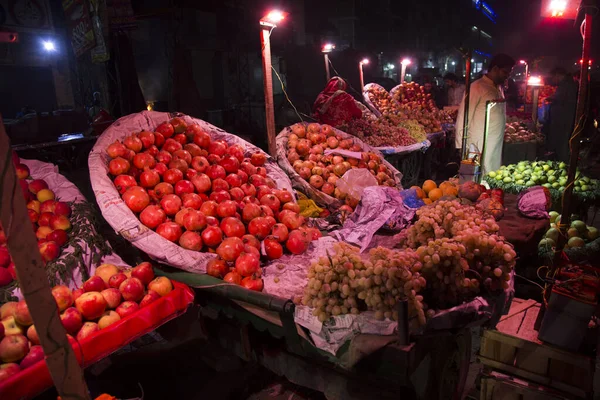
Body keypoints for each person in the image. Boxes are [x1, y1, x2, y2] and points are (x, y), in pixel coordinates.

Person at [455, 54, 516, 174]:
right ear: (495, 69)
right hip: (478, 142)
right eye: (505, 72)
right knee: (476, 178)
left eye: (509, 73)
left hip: (495, 142)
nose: (507, 76)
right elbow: (463, 115)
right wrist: (460, 144)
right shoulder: (476, 87)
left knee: (492, 173)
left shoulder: (498, 88)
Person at [544, 67, 578, 162]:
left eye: (553, 77)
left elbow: (560, 98)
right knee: (561, 139)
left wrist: (550, 98)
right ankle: (559, 159)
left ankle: (562, 162)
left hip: (563, 118)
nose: (553, 80)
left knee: (562, 140)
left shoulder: (567, 84)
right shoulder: (567, 83)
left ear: (557, 75)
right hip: (563, 116)